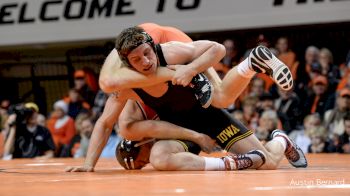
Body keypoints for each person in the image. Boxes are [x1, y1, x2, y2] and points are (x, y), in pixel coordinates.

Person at [82, 26, 304, 171]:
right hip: (186, 129)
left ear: (153, 47)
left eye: (147, 54)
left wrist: (191, 70)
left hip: (209, 115)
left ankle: (251, 64)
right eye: (137, 59)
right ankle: (232, 162)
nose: (146, 62)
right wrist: (88, 164)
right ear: (129, 64)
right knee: (159, 156)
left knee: (268, 161)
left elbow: (217, 49)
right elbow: (104, 122)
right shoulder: (128, 89)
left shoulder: (168, 52)